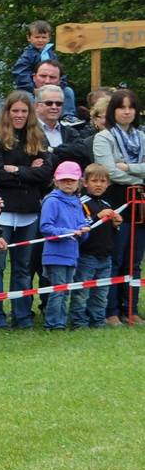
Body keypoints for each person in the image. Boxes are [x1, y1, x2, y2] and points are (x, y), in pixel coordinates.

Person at [0, 90, 52, 328]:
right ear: (7, 111)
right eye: (15, 110)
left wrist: (15, 169)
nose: (19, 115)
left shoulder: (38, 137)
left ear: (30, 113)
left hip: (29, 213)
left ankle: (22, 316)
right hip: (2, 212)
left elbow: (46, 172)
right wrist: (28, 171)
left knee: (23, 268)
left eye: (24, 111)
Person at [92, 87, 143, 324]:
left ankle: (131, 309)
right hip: (116, 201)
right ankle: (110, 310)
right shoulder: (104, 137)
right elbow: (109, 171)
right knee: (116, 258)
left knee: (134, 259)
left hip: (140, 203)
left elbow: (121, 169)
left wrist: (129, 167)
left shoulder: (142, 137)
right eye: (121, 107)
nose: (126, 111)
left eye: (130, 107)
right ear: (113, 111)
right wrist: (139, 172)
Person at [37, 161, 93, 332]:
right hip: (56, 253)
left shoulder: (76, 202)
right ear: (56, 180)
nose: (68, 183)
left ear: (79, 182)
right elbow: (45, 227)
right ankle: (54, 324)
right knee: (58, 290)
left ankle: (60, 321)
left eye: (72, 180)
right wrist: (68, 232)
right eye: (64, 180)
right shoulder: (52, 201)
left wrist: (84, 231)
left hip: (72, 254)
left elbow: (81, 225)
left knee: (65, 290)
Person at [74, 165, 121, 329]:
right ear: (85, 183)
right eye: (94, 181)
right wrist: (97, 217)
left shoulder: (106, 203)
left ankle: (97, 320)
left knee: (101, 292)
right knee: (82, 291)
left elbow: (110, 231)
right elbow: (80, 225)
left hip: (105, 255)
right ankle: (79, 321)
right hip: (87, 254)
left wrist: (116, 224)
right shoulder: (81, 203)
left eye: (103, 181)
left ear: (108, 184)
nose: (99, 185)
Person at [11, 21, 55, 90]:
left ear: (49, 38)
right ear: (29, 38)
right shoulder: (28, 55)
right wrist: (32, 88)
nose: (40, 40)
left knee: (68, 91)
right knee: (28, 98)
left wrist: (60, 85)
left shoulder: (51, 55)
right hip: (30, 89)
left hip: (50, 88)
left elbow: (59, 72)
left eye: (43, 37)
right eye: (37, 37)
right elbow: (20, 73)